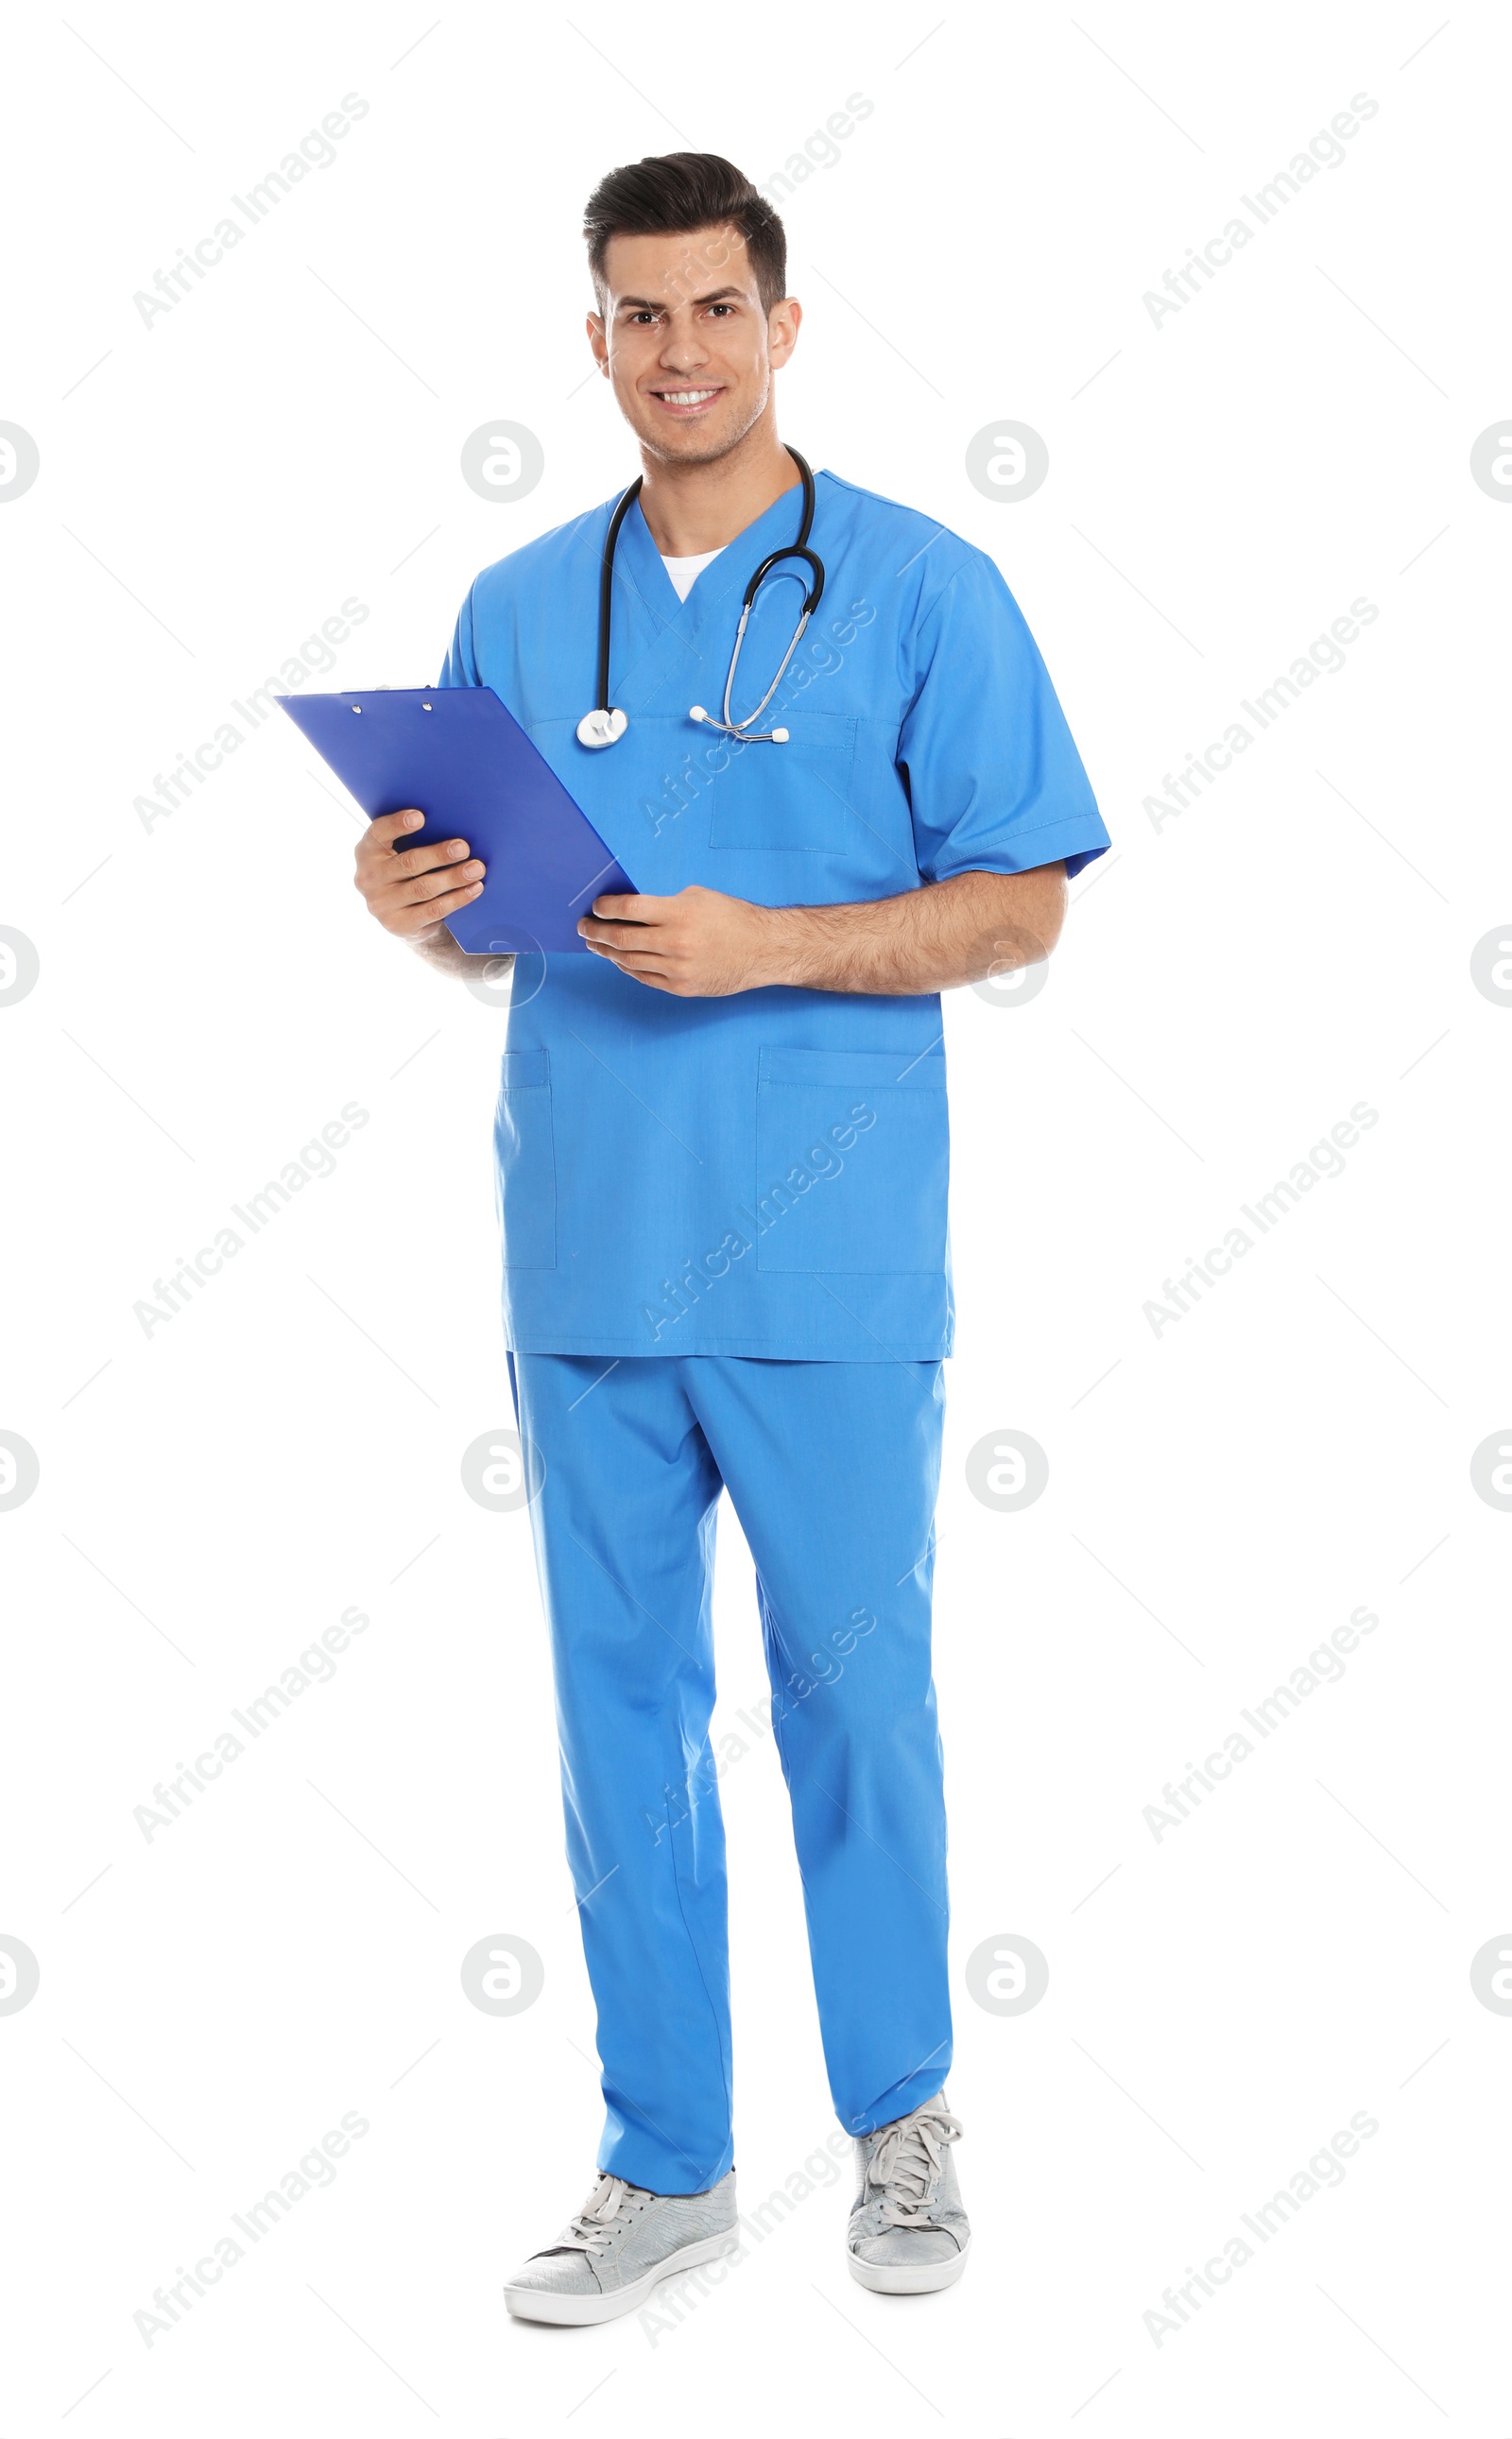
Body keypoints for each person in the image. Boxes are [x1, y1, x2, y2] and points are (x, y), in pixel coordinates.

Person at [353, 151, 1109, 2326]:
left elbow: (1023, 895)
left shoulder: (920, 586)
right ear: (589, 340)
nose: (676, 352)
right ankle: (663, 2158)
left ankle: (900, 2124)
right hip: (585, 1252)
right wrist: (406, 910)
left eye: (713, 309)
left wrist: (771, 941)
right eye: (635, 314)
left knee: (852, 1706)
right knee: (618, 1725)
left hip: (824, 1263)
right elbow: (490, 923)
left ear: (784, 324)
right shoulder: (516, 603)